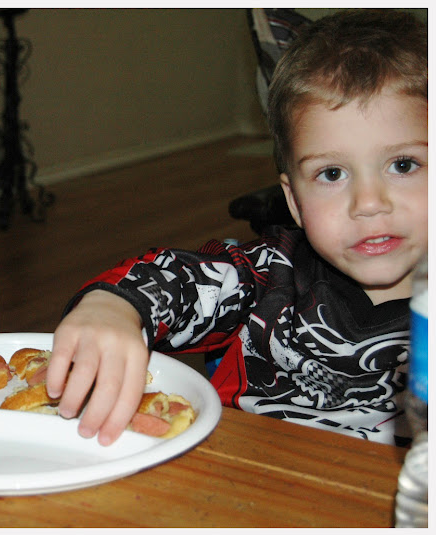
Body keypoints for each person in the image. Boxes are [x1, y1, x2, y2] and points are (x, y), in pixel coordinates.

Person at [46, 9, 427, 447]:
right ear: (294, 202)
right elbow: (177, 280)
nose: (369, 202)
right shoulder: (270, 275)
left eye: (403, 165)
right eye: (332, 174)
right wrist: (113, 308)